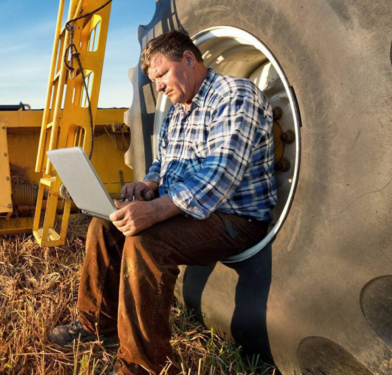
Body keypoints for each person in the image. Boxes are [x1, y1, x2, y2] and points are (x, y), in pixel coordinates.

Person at [48, 30, 278, 374]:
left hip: (235, 218)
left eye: (161, 74)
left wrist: (155, 211)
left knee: (145, 242)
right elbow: (165, 160)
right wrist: (149, 185)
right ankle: (97, 325)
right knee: (105, 224)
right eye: (153, 79)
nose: (158, 86)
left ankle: (143, 365)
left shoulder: (234, 95)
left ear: (188, 59)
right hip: (193, 211)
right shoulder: (179, 110)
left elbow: (219, 178)